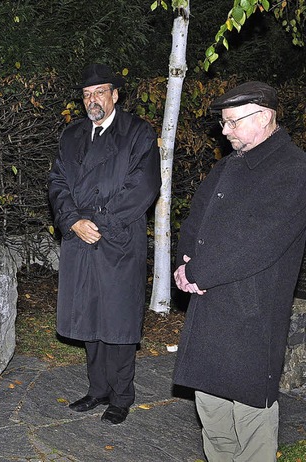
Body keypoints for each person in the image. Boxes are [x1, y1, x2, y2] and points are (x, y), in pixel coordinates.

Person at [173, 81, 306, 461]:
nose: (225, 131)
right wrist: (185, 263)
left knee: (251, 420)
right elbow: (197, 217)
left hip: (252, 313)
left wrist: (198, 272)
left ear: (264, 116)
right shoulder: (229, 165)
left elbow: (258, 242)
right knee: (212, 413)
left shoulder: (295, 170)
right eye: (224, 123)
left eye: (232, 122)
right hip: (210, 304)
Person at [48, 63, 161, 425]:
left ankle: (121, 396)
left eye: (99, 93)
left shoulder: (138, 134)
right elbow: (57, 183)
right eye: (85, 95)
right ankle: (97, 390)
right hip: (80, 239)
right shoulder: (72, 135)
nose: (91, 100)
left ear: (115, 95)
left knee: (118, 323)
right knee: (89, 320)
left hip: (118, 240)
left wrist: (98, 222)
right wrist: (72, 221)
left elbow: (143, 187)